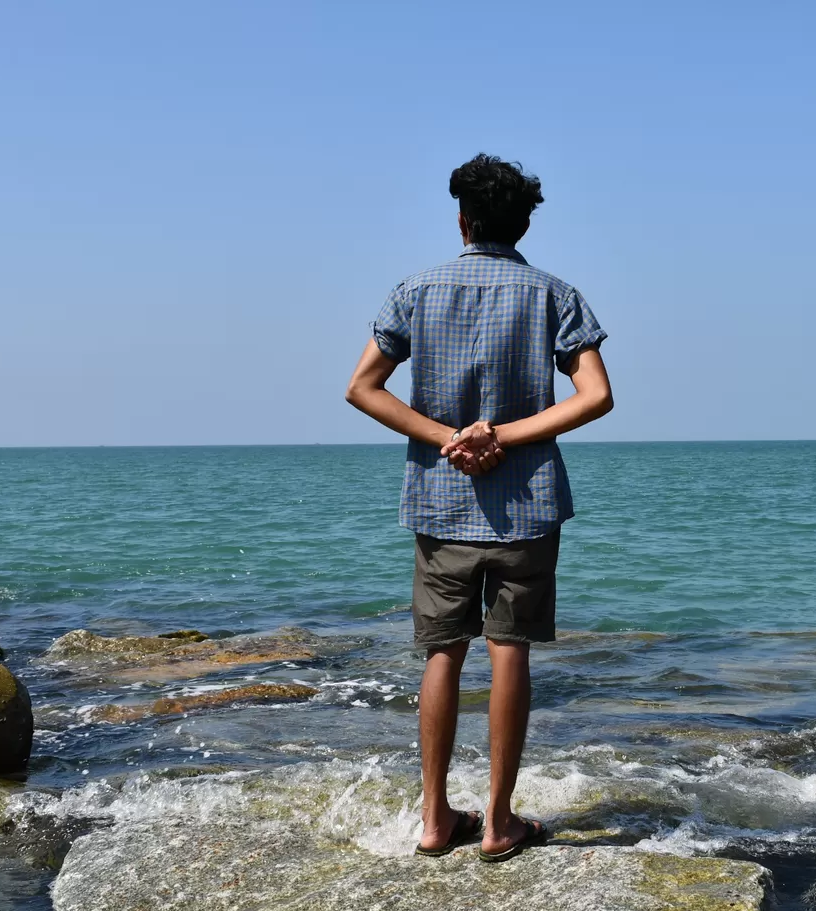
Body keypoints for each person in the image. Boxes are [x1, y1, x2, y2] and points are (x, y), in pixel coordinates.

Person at [345, 154, 614, 862]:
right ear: (525, 222)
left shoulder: (417, 289)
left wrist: (448, 438)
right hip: (527, 504)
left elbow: (362, 387)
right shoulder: (554, 294)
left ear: (461, 219)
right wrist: (504, 435)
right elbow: (596, 396)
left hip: (441, 501)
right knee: (510, 651)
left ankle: (435, 819)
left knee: (442, 652)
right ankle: (498, 822)